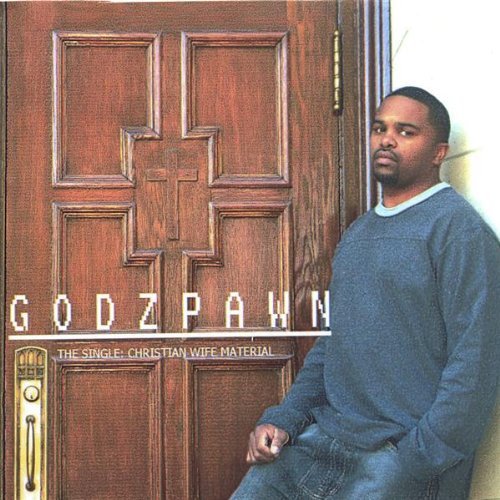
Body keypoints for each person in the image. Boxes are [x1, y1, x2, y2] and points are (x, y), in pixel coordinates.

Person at [231, 87, 500, 499]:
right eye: (379, 129)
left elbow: (476, 364)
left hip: (399, 458)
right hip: (322, 443)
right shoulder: (360, 232)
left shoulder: (460, 232)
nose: (387, 139)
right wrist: (284, 419)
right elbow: (333, 345)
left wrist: (416, 458)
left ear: (439, 153)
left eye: (406, 132)